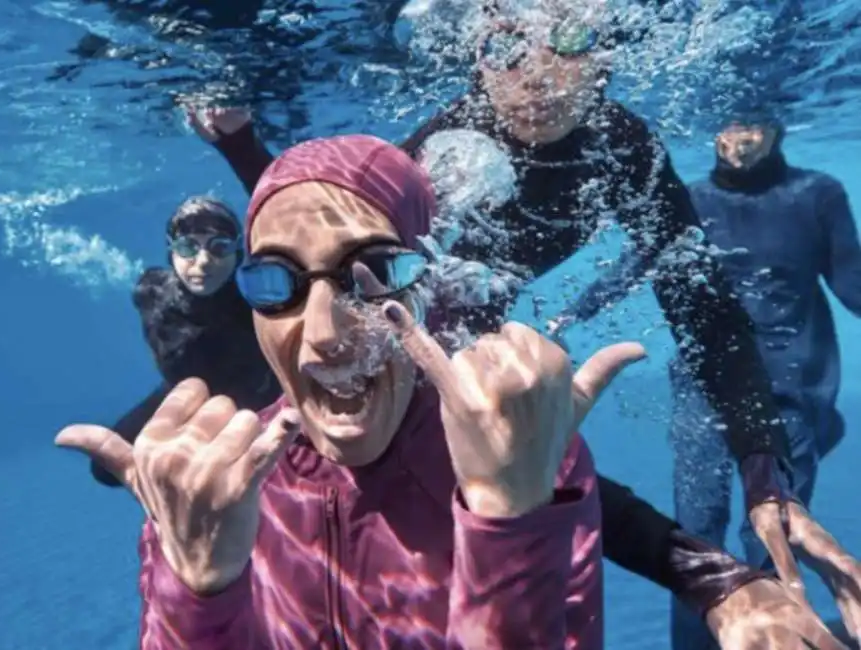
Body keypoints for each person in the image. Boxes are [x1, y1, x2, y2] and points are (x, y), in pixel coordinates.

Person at [191, 0, 861, 627]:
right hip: (399, 331)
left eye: (568, 39)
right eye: (505, 44)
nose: (534, 73)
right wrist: (240, 146)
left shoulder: (622, 146)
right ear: (475, 55)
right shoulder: (443, 143)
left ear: (604, 54)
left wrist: (764, 476)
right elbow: (321, 225)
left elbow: (705, 312)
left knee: (515, 456)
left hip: (467, 342)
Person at [60, 135, 854, 649]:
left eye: (371, 276)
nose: (325, 330)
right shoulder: (215, 487)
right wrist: (196, 591)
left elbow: (605, 500)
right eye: (277, 282)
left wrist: (515, 525)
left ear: (427, 287)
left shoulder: (501, 460)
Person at [666, 116, 861, 650]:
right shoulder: (690, 197)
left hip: (792, 392)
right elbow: (639, 264)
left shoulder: (816, 193)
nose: (739, 139)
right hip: (701, 384)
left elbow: (852, 283)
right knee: (696, 534)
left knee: (774, 535)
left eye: (752, 125)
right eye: (727, 126)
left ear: (777, 129)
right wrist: (562, 318)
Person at [90, 196, 281, 487]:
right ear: (172, 253)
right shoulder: (151, 291)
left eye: (219, 247)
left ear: (238, 254)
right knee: (105, 468)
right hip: (179, 394)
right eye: (188, 246)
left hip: (253, 409)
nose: (203, 261)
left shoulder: (256, 306)